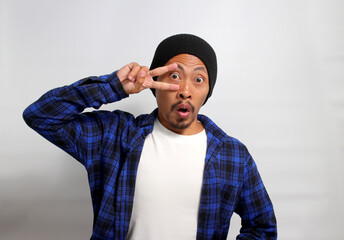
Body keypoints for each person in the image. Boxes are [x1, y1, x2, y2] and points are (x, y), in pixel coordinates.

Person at [23, 34, 277, 240]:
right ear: (154, 82)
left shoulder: (233, 156)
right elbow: (40, 116)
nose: (185, 91)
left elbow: (262, 228)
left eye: (199, 79)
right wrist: (112, 86)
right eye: (175, 76)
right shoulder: (115, 135)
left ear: (207, 91)